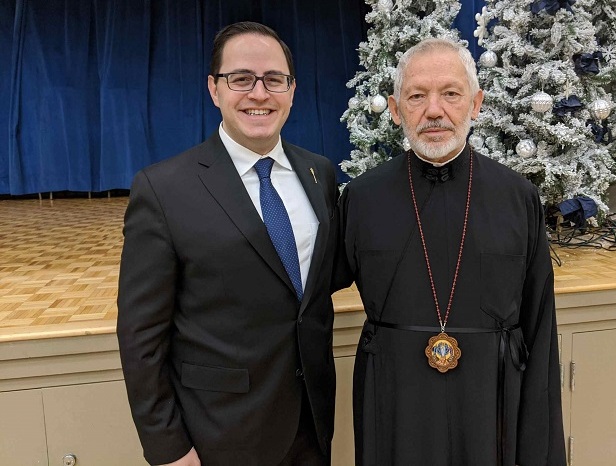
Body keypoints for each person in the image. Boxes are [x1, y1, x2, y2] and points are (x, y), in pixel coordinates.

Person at [334, 38, 566, 465]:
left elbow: (539, 325)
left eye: (451, 94)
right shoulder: (362, 198)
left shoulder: (518, 198)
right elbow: (309, 290)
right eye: (417, 96)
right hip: (395, 401)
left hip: (491, 403)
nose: (434, 110)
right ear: (395, 108)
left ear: (475, 104)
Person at [117, 22, 338, 466]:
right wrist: (168, 448)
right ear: (214, 89)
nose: (260, 93)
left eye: (274, 79)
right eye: (241, 79)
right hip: (219, 434)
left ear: (292, 91)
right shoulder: (163, 189)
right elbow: (141, 336)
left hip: (310, 424)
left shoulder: (320, 173)